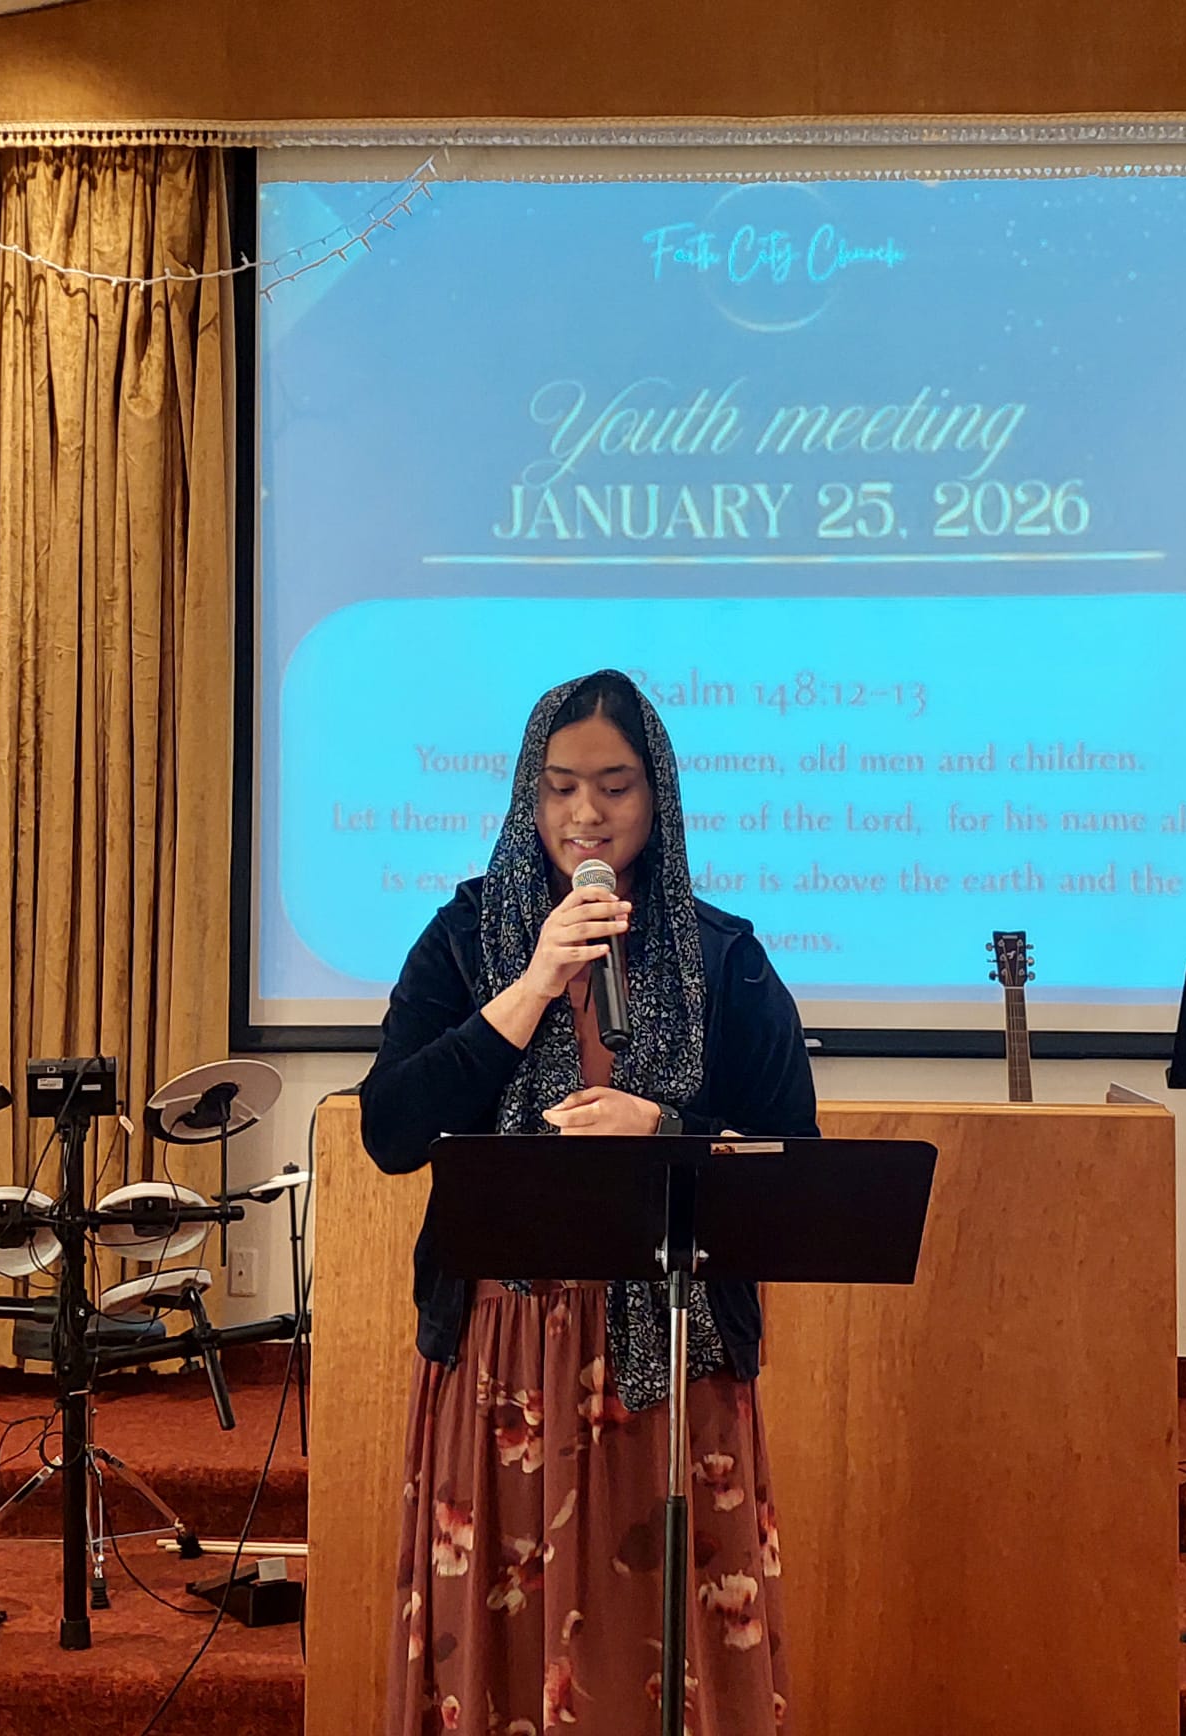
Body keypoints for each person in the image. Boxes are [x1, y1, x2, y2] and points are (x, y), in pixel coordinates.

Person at [359, 669, 816, 1736]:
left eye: (615, 786)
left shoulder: (725, 958)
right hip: (504, 1349)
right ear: (529, 794)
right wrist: (526, 990)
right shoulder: (464, 938)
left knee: (654, 1635)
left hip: (673, 1347)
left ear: (657, 797)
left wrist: (665, 1127)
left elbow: (791, 1161)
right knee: (505, 1637)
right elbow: (390, 1130)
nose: (586, 814)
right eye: (560, 786)